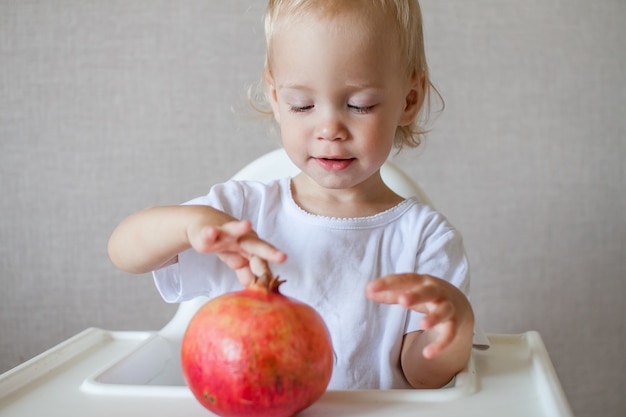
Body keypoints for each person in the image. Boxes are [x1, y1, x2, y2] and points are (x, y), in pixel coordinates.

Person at [108, 0, 484, 390]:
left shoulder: (425, 239)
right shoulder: (239, 216)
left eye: (360, 105)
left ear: (409, 99)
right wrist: (192, 225)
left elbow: (422, 377)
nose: (329, 128)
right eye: (302, 105)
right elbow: (124, 251)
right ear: (275, 97)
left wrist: (451, 329)